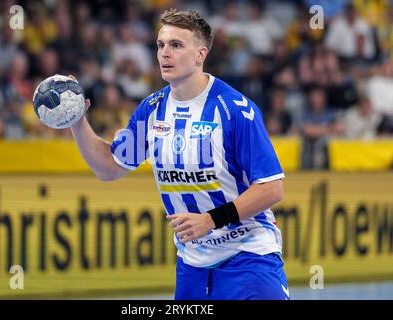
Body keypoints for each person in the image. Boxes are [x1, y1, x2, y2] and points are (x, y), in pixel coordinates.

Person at [70, 8, 288, 300]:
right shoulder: (151, 110)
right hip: (193, 264)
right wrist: (76, 122)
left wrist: (210, 220)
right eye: (160, 45)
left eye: (176, 45)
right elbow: (109, 168)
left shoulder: (234, 109)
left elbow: (272, 188)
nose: (164, 53)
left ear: (200, 54)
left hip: (248, 255)